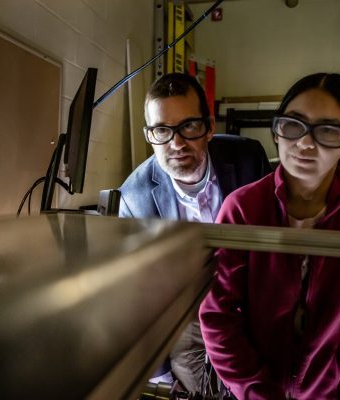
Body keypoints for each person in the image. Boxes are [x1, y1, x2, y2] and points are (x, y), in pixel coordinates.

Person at [199, 73, 340, 400]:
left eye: (327, 130)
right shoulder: (243, 209)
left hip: (333, 391)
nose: (305, 143)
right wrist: (256, 392)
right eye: (293, 125)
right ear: (277, 133)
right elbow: (217, 316)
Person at [118, 72, 271, 394]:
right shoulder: (135, 197)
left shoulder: (248, 160)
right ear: (149, 134)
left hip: (251, 308)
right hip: (187, 318)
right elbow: (140, 293)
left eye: (188, 126)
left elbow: (273, 244)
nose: (175, 143)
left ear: (209, 127)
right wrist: (159, 372)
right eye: (162, 129)